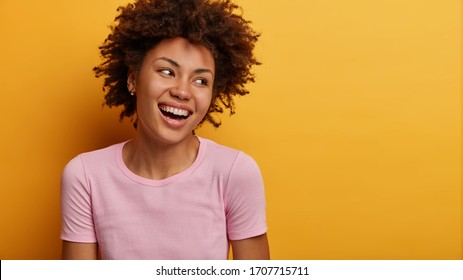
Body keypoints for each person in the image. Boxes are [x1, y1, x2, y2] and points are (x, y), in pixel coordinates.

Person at [60, 0, 269, 260]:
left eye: (201, 80)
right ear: (133, 79)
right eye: (167, 71)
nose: (182, 91)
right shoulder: (85, 176)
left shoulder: (235, 173)